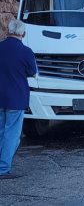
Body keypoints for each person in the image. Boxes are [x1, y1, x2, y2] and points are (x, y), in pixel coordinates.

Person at [0, 19, 37, 179]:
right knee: (12, 134)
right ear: (23, 33)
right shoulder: (26, 51)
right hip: (16, 98)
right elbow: (33, 73)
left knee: (1, 131)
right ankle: (3, 168)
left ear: (8, 31)